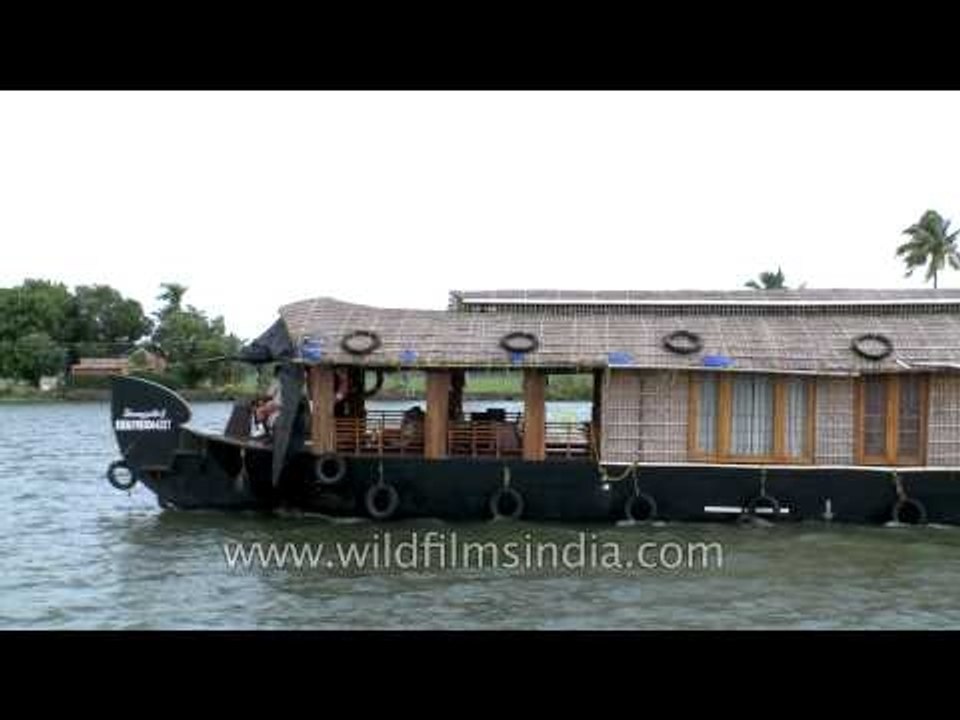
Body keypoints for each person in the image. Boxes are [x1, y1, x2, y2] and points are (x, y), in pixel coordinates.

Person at [252, 365, 283, 437]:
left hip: (277, 405)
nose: (274, 373)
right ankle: (267, 431)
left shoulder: (277, 380)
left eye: (275, 372)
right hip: (283, 405)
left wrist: (259, 400)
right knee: (264, 406)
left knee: (259, 410)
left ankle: (265, 432)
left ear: (277, 373)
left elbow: (269, 395)